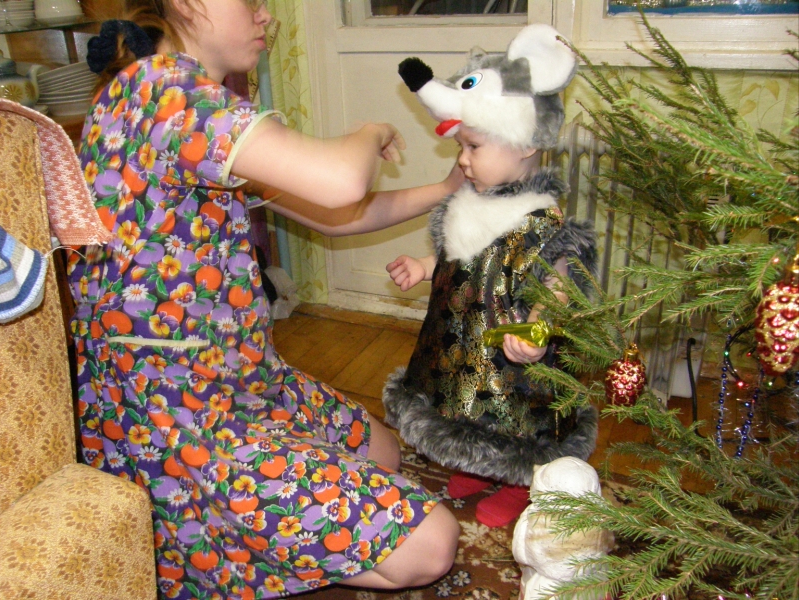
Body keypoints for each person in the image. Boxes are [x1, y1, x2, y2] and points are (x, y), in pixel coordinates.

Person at [67, 1, 462, 598]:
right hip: (172, 410)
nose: (265, 16)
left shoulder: (178, 102)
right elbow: (343, 181)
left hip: (238, 378)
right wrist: (370, 131)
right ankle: (193, 541)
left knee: (383, 454)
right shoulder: (165, 92)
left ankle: (244, 523)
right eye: (250, 0)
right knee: (431, 545)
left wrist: (447, 189)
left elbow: (339, 215)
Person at [381, 24, 600, 529]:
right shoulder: (467, 204)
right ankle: (478, 464)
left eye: (473, 146)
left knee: (519, 417)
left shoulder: (541, 219)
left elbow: (559, 286)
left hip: (513, 353)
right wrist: (423, 267)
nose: (461, 160)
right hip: (461, 345)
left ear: (523, 145)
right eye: (461, 145)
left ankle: (523, 482)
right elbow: (461, 262)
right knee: (462, 403)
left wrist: (539, 328)